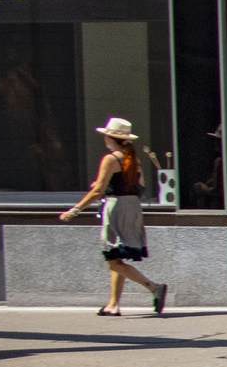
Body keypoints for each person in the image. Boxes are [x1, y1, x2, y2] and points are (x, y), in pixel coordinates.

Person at [60, 117, 167, 316]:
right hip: (132, 207)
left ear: (110, 138)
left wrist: (75, 210)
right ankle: (113, 304)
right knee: (118, 257)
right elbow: (140, 186)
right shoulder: (132, 159)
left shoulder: (111, 159)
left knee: (112, 259)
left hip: (116, 207)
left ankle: (153, 287)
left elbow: (97, 192)